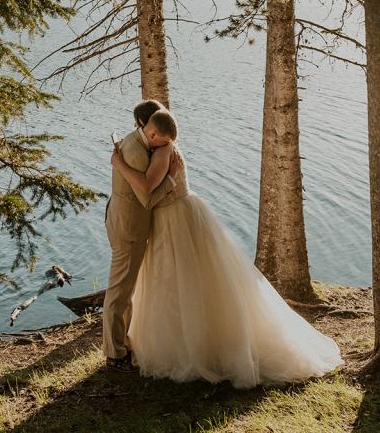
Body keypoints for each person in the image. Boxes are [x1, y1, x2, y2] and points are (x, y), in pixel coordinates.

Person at [110, 110, 343, 388]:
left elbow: (148, 193)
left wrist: (122, 164)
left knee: (180, 280)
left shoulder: (162, 151)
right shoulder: (156, 147)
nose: (165, 141)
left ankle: (190, 346)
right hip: (177, 216)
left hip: (174, 219)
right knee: (180, 280)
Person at [102, 100, 181, 371]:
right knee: (119, 291)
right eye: (164, 141)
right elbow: (146, 198)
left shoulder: (135, 140)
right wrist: (170, 178)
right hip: (130, 228)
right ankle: (114, 354)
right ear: (152, 131)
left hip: (120, 220)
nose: (166, 146)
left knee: (125, 288)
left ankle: (123, 344)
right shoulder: (137, 154)